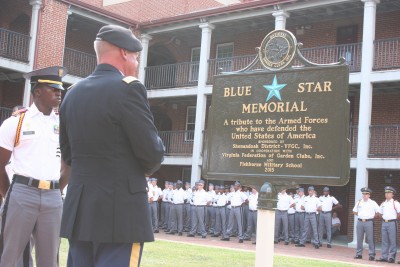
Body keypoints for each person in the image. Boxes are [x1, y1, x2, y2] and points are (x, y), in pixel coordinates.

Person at [59, 25, 164, 267]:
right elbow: (152, 153)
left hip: (80, 212)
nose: (136, 63)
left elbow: (69, 156)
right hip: (120, 214)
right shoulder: (129, 88)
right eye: (136, 57)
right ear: (124, 53)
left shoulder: (72, 94)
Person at [0, 66, 70, 267]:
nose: (59, 92)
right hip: (22, 192)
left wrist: (56, 190)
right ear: (37, 91)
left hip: (53, 196)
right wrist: (10, 193)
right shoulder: (16, 123)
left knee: (49, 259)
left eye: (60, 89)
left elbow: (68, 163)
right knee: (10, 256)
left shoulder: (62, 124)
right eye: (53, 88)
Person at [352, 187, 380, 261]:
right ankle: (359, 254)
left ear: (369, 195)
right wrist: (360, 214)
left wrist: (374, 216)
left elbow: (379, 211)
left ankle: (371, 255)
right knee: (359, 239)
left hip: (369, 221)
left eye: (366, 194)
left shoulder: (373, 203)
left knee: (370, 239)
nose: (364, 195)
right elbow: (354, 211)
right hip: (360, 221)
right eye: (363, 194)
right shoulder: (359, 202)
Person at [376, 186, 400, 263]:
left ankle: (392, 257)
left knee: (393, 240)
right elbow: (379, 213)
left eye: (389, 193)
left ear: (392, 194)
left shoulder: (395, 203)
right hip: (384, 222)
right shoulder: (383, 203)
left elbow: (399, 213)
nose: (387, 194)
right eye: (386, 192)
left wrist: (396, 219)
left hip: (392, 222)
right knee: (384, 240)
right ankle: (384, 256)